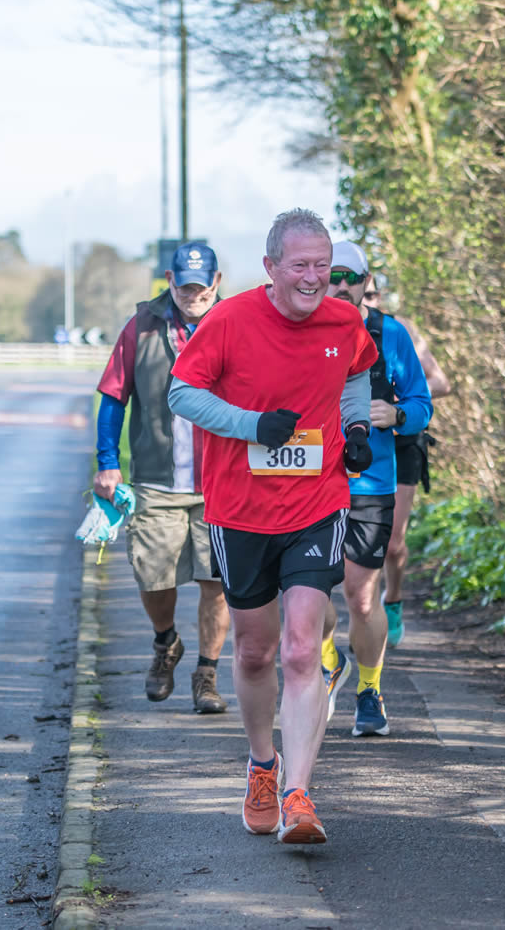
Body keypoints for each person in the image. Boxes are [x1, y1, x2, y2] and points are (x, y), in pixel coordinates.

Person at [168, 209, 377, 845]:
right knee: (256, 650)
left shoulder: (344, 321)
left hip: (317, 503)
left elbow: (358, 373)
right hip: (240, 510)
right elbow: (183, 394)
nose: (316, 278)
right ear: (271, 268)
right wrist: (251, 425)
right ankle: (264, 764)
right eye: (302, 267)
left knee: (299, 647)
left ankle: (300, 794)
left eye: (325, 267)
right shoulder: (228, 321)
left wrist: (358, 426)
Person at [93, 242, 232, 715]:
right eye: (184, 284)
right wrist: (108, 463)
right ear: (169, 281)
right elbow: (114, 398)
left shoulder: (235, 324)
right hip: (156, 479)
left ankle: (207, 674)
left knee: (216, 581)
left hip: (221, 481)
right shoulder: (142, 328)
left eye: (201, 285)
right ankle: (165, 643)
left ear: (216, 282)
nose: (193, 293)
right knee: (154, 579)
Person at [318, 242, 432, 737]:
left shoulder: (392, 335)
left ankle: (369, 689)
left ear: (368, 283)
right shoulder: (299, 327)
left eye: (351, 277)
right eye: (333, 276)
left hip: (371, 481)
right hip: (309, 480)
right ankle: (328, 664)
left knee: (361, 598)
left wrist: (399, 414)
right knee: (307, 591)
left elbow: (421, 403)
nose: (341, 285)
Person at [377, 291, 451, 646]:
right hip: (353, 444)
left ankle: (392, 600)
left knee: (393, 542)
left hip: (402, 440)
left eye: (373, 292)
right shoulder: (330, 328)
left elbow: (440, 382)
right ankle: (357, 612)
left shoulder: (400, 329)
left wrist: (399, 401)